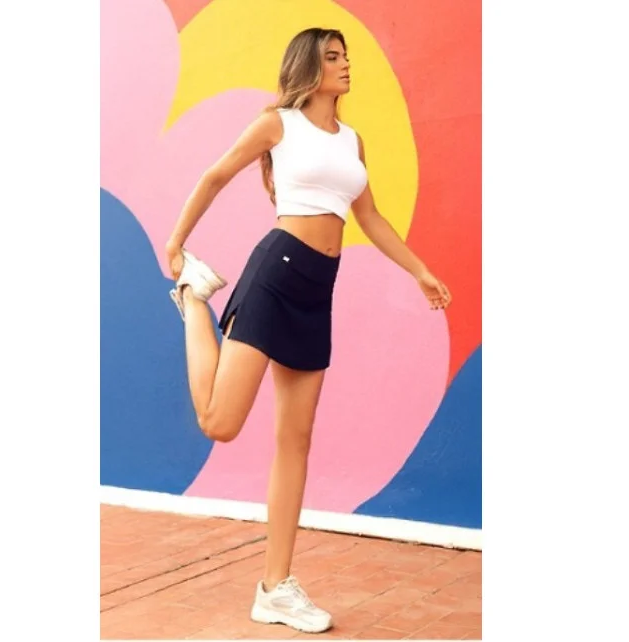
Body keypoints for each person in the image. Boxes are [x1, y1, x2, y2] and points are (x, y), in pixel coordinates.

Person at [164, 27, 451, 635]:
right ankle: (193, 299)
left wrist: (420, 270)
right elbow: (215, 176)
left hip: (318, 288)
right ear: (309, 67)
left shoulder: (352, 140)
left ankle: (275, 588)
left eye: (346, 56)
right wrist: (176, 243)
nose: (346, 65)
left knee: (295, 441)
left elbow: (369, 216)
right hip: (277, 272)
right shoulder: (278, 125)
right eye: (333, 57)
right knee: (220, 423)